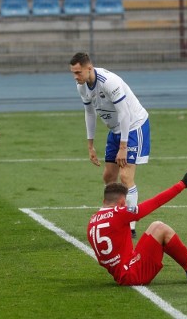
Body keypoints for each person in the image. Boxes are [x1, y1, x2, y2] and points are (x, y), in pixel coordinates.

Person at [87, 171, 187, 286]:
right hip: (131, 274)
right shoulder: (119, 213)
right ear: (122, 202)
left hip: (123, 270)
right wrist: (182, 184)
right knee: (161, 229)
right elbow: (155, 202)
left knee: (155, 226)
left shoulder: (92, 221)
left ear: (104, 201)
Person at [70, 52, 150, 238]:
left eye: (78, 72)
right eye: (73, 73)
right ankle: (112, 215)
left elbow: (124, 114)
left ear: (89, 68)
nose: (75, 76)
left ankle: (129, 226)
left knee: (125, 176)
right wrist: (90, 145)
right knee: (108, 177)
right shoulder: (81, 86)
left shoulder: (109, 82)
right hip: (115, 129)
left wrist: (123, 147)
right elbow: (89, 113)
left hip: (133, 125)